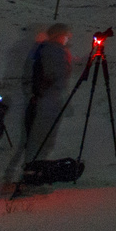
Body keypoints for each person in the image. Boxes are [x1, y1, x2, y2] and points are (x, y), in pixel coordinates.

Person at [22, 23, 74, 160]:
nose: (67, 39)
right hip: (47, 101)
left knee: (42, 138)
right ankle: (33, 169)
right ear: (59, 36)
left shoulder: (48, 50)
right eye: (65, 36)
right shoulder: (52, 51)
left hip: (48, 100)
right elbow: (58, 76)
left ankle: (35, 167)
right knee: (41, 138)